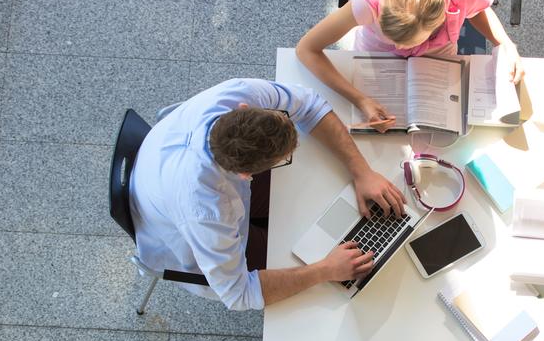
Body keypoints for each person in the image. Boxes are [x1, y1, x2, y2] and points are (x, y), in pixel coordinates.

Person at [129, 78, 406, 311]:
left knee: (309, 202)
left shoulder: (235, 92)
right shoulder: (207, 209)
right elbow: (238, 295)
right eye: (284, 159)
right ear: (246, 176)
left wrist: (362, 171)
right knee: (295, 255)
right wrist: (325, 270)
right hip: (177, 233)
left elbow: (309, 105)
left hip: (161, 173)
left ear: (244, 107)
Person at [296, 0, 525, 132]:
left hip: (437, 61)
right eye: (394, 39)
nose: (400, 50)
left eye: (408, 43)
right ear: (380, 12)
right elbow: (306, 49)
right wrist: (360, 100)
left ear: (439, 21)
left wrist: (505, 43)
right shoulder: (369, 1)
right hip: (375, 59)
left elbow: (479, 11)